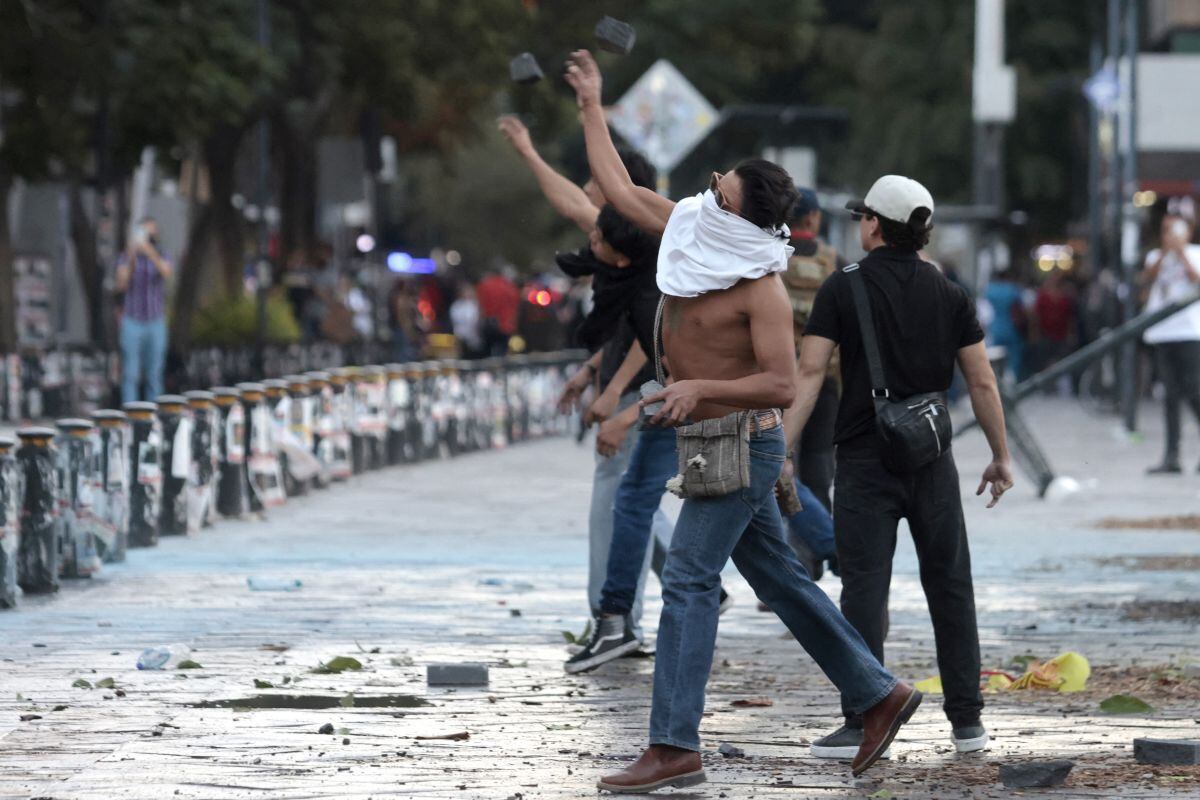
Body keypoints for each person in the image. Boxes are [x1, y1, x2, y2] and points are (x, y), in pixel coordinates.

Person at [565, 50, 919, 791]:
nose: (701, 193)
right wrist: (592, 104)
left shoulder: (757, 281)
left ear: (738, 214)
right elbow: (618, 187)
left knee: (690, 578)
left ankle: (673, 746)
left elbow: (783, 384)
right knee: (783, 581)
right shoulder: (690, 232)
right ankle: (877, 692)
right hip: (709, 441)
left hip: (745, 446)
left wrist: (696, 386)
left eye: (715, 189)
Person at [784, 174, 1013, 762]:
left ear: (875, 226)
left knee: (864, 587)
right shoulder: (949, 293)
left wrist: (782, 450)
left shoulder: (843, 287)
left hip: (863, 458)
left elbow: (809, 374)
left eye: (863, 216)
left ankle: (865, 719)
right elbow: (981, 379)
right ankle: (967, 723)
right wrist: (1000, 456)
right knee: (950, 585)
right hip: (933, 458)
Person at [499, 115, 681, 644]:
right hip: (633, 382)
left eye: (595, 178)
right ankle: (678, 586)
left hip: (648, 386)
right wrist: (589, 371)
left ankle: (614, 616)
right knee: (635, 495)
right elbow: (627, 327)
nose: (585, 191)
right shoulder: (627, 236)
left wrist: (612, 396)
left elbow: (649, 337)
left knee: (618, 499)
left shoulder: (646, 243)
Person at [780, 187, 843, 579]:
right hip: (827, 382)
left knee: (778, 470)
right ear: (814, 218)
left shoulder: (774, 257)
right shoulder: (835, 260)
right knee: (819, 471)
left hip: (780, 382)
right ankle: (823, 555)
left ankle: (794, 566)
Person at [1141, 212, 1200, 474]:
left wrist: (1182, 253)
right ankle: (1171, 456)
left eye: (1175, 229)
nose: (1170, 234)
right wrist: (1167, 252)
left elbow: (1196, 280)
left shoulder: (1196, 253)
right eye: (1166, 229)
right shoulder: (1156, 256)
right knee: (1170, 396)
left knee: (1195, 392)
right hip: (1163, 333)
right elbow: (1147, 280)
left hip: (1190, 333)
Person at [115, 217, 172, 402]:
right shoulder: (127, 256)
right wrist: (132, 255)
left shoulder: (162, 253)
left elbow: (166, 273)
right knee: (130, 372)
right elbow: (121, 284)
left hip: (155, 320)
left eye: (150, 233)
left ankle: (153, 414)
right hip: (132, 320)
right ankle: (130, 414)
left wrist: (151, 253)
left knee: (154, 373)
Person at [984, 268, 1027, 382]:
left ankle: (996, 381)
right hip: (1011, 327)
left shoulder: (989, 290)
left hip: (995, 328)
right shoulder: (1013, 290)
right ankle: (1012, 381)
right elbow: (1021, 307)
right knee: (1014, 358)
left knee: (994, 357)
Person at [450, 283, 483, 358]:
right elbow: (456, 320)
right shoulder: (457, 306)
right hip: (461, 336)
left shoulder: (476, 304)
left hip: (474, 336)